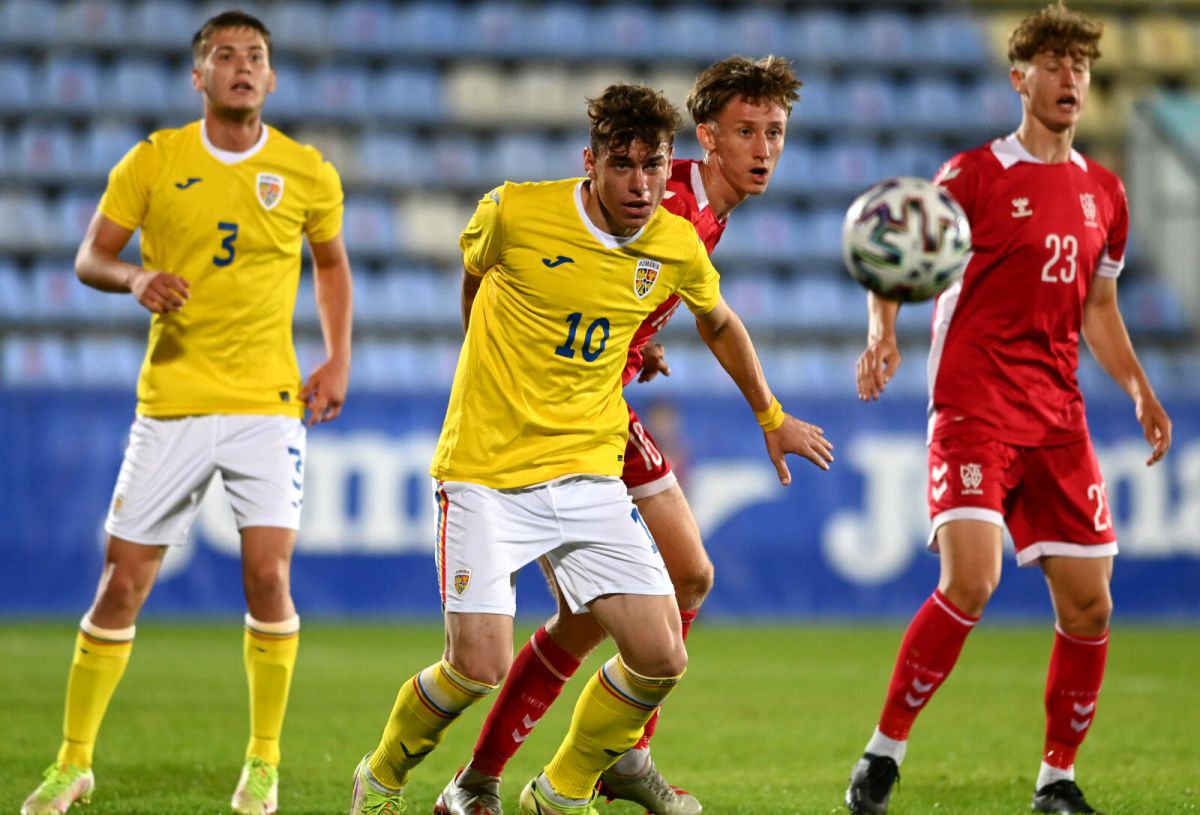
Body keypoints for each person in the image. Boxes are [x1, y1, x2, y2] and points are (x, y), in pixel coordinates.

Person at [349, 83, 832, 815]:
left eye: (652, 167)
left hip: (588, 460)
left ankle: (568, 780)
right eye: (623, 165)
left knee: (667, 632)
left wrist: (761, 409)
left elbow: (714, 316)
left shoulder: (676, 238)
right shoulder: (522, 209)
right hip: (490, 466)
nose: (641, 184)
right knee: (480, 661)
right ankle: (391, 776)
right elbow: (480, 272)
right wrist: (492, 352)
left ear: (670, 163)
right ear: (593, 162)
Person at [20, 11, 352, 815]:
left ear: (271, 79)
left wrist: (338, 354)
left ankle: (263, 765)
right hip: (170, 402)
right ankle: (73, 762)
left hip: (267, 406)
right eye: (224, 55)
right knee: (122, 581)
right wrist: (134, 278)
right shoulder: (155, 160)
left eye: (256, 57)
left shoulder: (306, 170)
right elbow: (89, 256)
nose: (242, 66)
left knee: (268, 572)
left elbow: (333, 262)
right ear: (197, 76)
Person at [844, 5, 1172, 815]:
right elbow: (891, 251)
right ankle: (881, 756)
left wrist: (1136, 385)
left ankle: (1055, 778)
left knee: (1092, 603)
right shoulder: (973, 177)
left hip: (1058, 418)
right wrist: (883, 332)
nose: (1070, 79)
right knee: (972, 577)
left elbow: (1100, 306)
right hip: (974, 406)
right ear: (1019, 78)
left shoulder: (1106, 192)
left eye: (1080, 67)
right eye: (1053, 65)